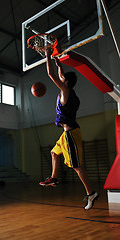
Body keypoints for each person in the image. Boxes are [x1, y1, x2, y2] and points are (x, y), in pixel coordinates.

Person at [39, 48, 99, 210]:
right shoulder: (69, 91)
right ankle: (53, 177)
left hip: (71, 134)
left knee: (76, 166)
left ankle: (91, 193)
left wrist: (47, 56)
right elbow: (59, 75)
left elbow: (51, 75)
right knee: (53, 153)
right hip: (66, 134)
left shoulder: (65, 91)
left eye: (63, 78)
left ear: (65, 82)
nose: (61, 78)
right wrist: (59, 65)